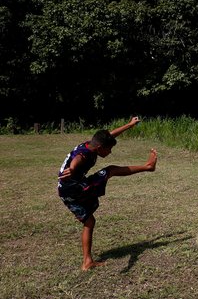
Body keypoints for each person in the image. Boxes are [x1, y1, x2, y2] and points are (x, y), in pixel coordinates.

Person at [57, 116, 157, 271]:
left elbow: (111, 135)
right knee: (110, 170)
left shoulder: (91, 144)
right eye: (109, 149)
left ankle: (87, 262)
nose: (110, 152)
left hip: (65, 191)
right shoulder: (85, 153)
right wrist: (72, 167)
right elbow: (77, 159)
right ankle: (148, 167)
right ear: (100, 148)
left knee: (89, 222)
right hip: (76, 189)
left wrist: (129, 125)